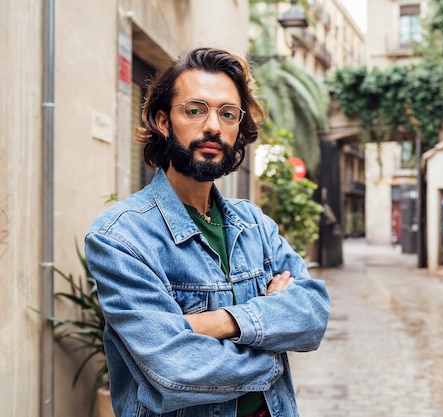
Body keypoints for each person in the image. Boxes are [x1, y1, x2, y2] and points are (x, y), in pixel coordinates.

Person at [85, 47, 331, 417]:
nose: (214, 126)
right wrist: (272, 346)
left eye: (228, 114)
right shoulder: (121, 237)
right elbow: (175, 369)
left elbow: (312, 314)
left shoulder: (255, 225)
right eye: (195, 110)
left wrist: (219, 322)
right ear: (163, 121)